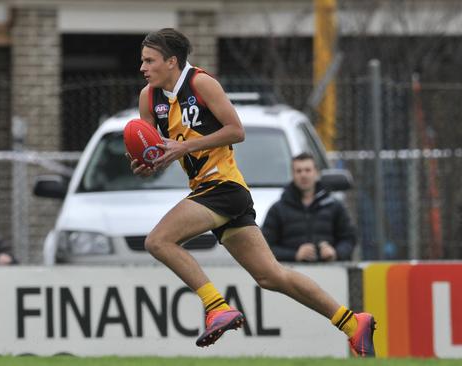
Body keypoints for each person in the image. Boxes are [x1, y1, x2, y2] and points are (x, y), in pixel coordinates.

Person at [128, 28, 375, 357]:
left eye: (149, 60)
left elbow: (236, 131)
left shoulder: (201, 84)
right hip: (208, 189)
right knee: (271, 276)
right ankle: (351, 322)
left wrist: (184, 146)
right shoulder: (150, 97)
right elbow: (159, 151)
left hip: (223, 186)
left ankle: (216, 306)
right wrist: (148, 165)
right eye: (142, 61)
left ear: (172, 61)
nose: (143, 67)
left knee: (158, 241)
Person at [262, 152, 356, 262]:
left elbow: (349, 239)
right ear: (293, 174)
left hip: (331, 273)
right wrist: (294, 255)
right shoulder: (277, 210)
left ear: (316, 173)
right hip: (290, 274)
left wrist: (335, 253)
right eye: (299, 171)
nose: (303, 175)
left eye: (307, 170)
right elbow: (265, 247)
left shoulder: (334, 206)